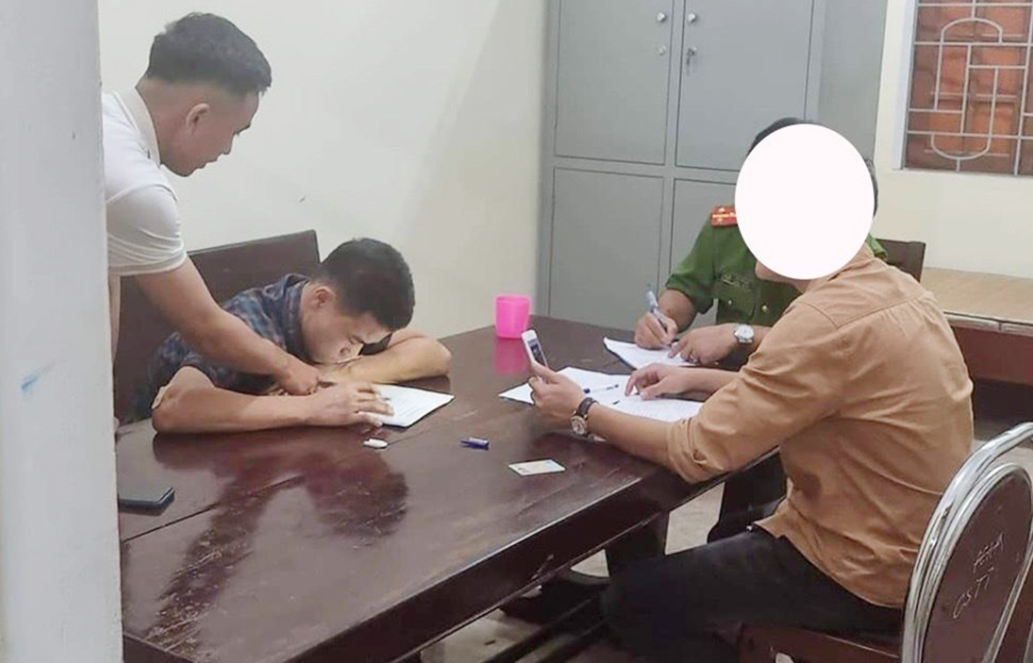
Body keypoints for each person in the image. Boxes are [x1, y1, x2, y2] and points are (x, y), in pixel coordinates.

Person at [528, 127, 973, 663]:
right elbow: (815, 396)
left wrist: (583, 409)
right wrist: (695, 379)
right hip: (922, 550)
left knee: (635, 600)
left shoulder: (821, 320)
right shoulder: (899, 290)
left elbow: (695, 452)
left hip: (860, 573)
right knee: (732, 532)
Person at [634, 117, 888, 542]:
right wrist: (663, 318)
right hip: (718, 382)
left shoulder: (845, 247)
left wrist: (740, 333)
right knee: (642, 445)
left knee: (744, 484)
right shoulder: (728, 227)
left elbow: (823, 343)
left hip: (795, 392)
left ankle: (739, 539)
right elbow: (685, 290)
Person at [104, 13, 319, 404]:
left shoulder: (99, 123)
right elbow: (206, 328)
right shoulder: (137, 187)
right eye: (235, 132)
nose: (227, 150)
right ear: (197, 117)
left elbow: (108, 271)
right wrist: (290, 368)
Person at [134, 238, 452, 434]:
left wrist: (335, 374)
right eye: (353, 341)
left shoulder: (347, 321)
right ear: (320, 299)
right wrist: (312, 408)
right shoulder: (251, 322)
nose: (353, 352)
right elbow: (174, 407)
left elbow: (434, 353)